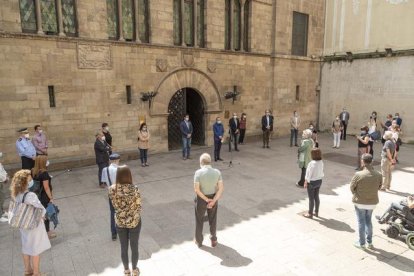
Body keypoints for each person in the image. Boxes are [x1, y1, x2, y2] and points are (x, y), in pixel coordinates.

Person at [10, 169, 51, 276]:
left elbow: (13, 210)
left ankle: (27, 271)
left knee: (26, 247)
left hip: (23, 225)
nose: (31, 181)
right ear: (25, 182)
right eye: (30, 179)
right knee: (35, 249)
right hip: (34, 225)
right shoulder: (30, 195)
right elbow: (42, 209)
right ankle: (36, 273)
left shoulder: (16, 194)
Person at [108, 165, 142, 276]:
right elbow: (138, 206)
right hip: (134, 222)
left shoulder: (112, 189)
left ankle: (126, 270)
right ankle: (135, 270)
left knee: (123, 246)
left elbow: (112, 207)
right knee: (134, 245)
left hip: (120, 221)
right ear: (129, 175)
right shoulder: (135, 188)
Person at [350, 153, 382, 249]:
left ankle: (362, 243)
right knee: (368, 221)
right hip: (372, 202)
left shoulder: (358, 174)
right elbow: (379, 186)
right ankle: (370, 242)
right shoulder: (379, 174)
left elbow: (352, 187)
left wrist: (357, 194)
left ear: (362, 162)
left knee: (361, 222)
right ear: (371, 161)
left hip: (360, 202)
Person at [194, 153, 224, 248]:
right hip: (213, 197)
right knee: (213, 219)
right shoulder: (217, 172)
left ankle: (199, 241)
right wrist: (213, 200)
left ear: (201, 162)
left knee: (199, 219)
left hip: (202, 199)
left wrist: (206, 199)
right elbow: (221, 188)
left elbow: (197, 190)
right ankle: (213, 239)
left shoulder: (198, 173)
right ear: (210, 161)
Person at [32, 155, 56, 239]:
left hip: (37, 195)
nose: (47, 162)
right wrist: (51, 198)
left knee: (41, 214)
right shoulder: (44, 173)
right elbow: (46, 187)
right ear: (42, 162)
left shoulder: (33, 171)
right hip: (44, 197)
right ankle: (47, 232)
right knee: (46, 214)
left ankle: (43, 231)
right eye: (46, 160)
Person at [102, 153, 121, 241]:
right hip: (119, 193)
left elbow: (104, 182)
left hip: (110, 193)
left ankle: (114, 234)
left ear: (110, 160)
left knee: (112, 213)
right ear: (117, 160)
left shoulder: (105, 169)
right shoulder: (119, 169)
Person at [303, 148, 324, 219]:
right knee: (316, 197)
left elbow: (309, 174)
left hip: (312, 182)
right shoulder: (321, 162)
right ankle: (316, 212)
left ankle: (310, 213)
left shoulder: (311, 163)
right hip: (319, 181)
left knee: (311, 198)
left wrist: (306, 182)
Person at [0, 152, 9, 222]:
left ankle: (2, 212)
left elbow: (2, 170)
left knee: (2, 198)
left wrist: (6, 176)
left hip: (1, 182)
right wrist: (4, 178)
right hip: (1, 181)